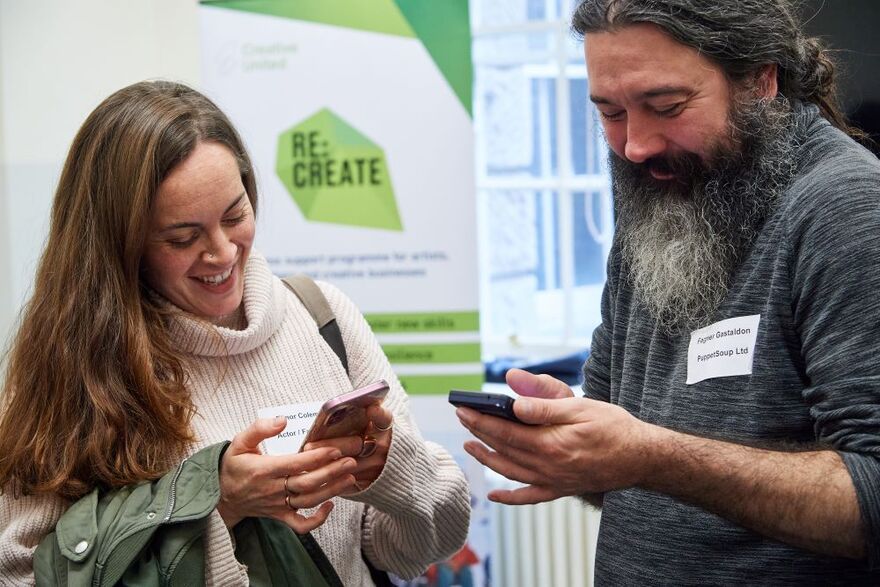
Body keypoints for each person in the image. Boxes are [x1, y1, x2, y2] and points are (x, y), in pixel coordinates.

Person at [456, 0, 880, 584]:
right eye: (610, 113)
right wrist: (572, 438)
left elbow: (871, 498)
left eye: (665, 107)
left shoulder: (845, 209)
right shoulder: (665, 196)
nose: (635, 145)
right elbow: (620, 467)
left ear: (761, 79)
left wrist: (650, 456)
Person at [0, 80, 470, 585]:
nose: (222, 253)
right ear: (120, 245)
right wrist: (218, 506)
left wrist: (387, 469)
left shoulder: (322, 316)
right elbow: (20, 573)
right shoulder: (74, 367)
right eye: (183, 237)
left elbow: (411, 549)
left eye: (235, 215)